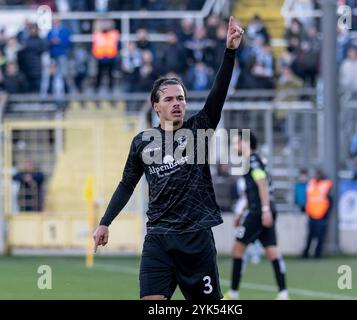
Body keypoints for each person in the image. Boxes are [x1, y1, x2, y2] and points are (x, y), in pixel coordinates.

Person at [93, 16, 244, 300]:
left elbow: (219, 93)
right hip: (159, 239)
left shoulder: (199, 129)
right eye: (170, 100)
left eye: (181, 98)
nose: (177, 104)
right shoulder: (142, 142)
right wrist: (105, 221)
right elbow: (127, 184)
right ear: (156, 107)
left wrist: (230, 51)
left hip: (196, 238)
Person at [223, 131, 288, 300]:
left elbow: (262, 184)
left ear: (246, 143)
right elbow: (252, 192)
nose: (234, 146)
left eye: (237, 142)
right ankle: (283, 293)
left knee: (237, 248)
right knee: (272, 251)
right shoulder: (253, 160)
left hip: (259, 212)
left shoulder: (252, 161)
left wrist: (264, 210)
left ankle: (233, 293)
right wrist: (242, 210)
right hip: (262, 208)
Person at [302, 169, 332, 259]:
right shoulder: (311, 184)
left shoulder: (326, 185)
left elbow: (330, 200)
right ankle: (306, 254)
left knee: (320, 237)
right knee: (310, 236)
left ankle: (317, 254)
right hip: (311, 214)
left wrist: (326, 213)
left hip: (322, 214)